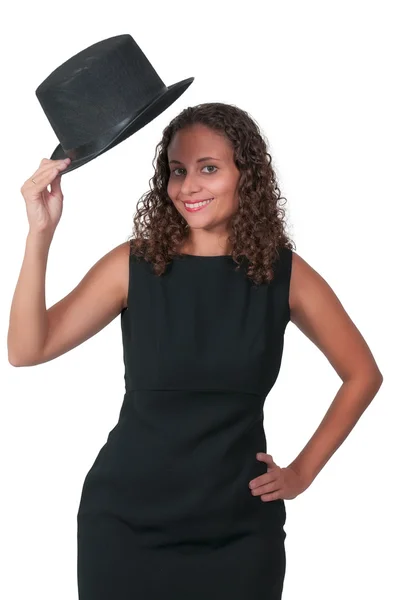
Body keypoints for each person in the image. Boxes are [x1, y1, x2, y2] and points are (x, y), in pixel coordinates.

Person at [8, 102, 383, 599]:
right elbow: (26, 349)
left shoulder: (283, 275)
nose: (188, 187)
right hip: (125, 526)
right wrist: (40, 235)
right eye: (178, 171)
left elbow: (362, 374)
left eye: (209, 168)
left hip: (240, 531)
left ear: (245, 176)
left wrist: (302, 473)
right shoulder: (133, 265)